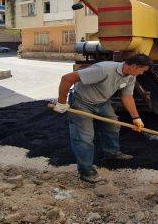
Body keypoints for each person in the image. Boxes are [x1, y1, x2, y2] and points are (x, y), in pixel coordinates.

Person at [53, 53, 152, 183]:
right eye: (142, 70)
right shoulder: (104, 70)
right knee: (84, 137)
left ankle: (112, 154)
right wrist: (61, 102)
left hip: (102, 102)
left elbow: (127, 96)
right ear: (134, 66)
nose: (142, 73)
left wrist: (136, 118)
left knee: (113, 126)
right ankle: (86, 172)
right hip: (82, 102)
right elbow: (67, 78)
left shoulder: (130, 77)